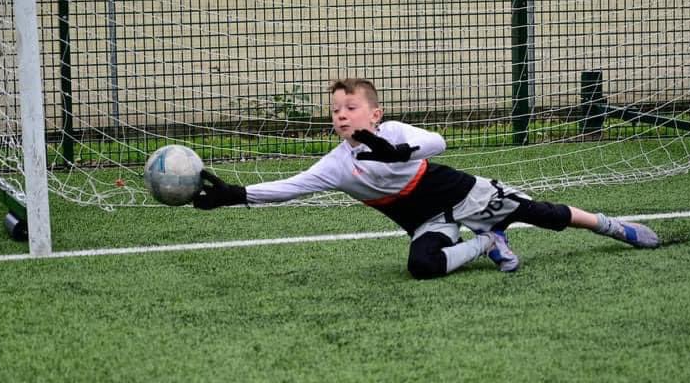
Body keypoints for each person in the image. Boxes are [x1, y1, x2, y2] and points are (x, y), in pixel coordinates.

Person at [194, 78, 659, 279]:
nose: (341, 115)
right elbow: (289, 188)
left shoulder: (394, 132)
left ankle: (611, 226)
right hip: (426, 221)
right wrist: (233, 195)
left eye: (350, 107)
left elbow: (437, 142)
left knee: (545, 214)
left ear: (374, 112)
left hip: (465, 194)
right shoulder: (337, 164)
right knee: (421, 267)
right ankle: (486, 244)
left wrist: (395, 149)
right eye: (335, 109)